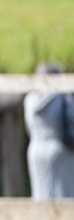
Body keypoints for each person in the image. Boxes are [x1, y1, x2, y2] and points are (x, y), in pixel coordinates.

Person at [23, 62, 74, 199]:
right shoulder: (63, 98)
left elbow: (28, 127)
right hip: (61, 150)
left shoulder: (29, 100)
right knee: (64, 196)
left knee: (41, 195)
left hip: (36, 150)